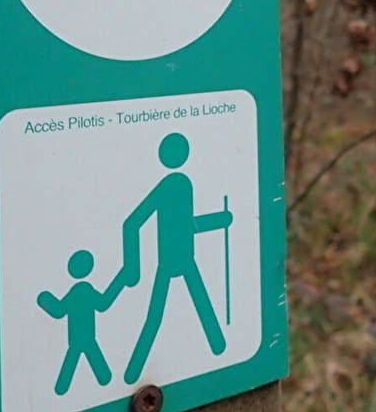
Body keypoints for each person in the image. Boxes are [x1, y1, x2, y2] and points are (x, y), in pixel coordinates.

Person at [118, 132, 233, 384]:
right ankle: (132, 374)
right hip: (170, 261)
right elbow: (133, 223)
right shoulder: (173, 186)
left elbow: (185, 225)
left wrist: (220, 220)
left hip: (183, 258)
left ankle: (220, 349)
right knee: (160, 315)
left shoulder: (181, 184)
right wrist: (132, 266)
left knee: (196, 308)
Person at [36, 249, 124, 395]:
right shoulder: (83, 290)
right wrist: (119, 282)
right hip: (86, 336)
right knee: (88, 358)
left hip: (79, 337)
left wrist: (45, 299)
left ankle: (62, 388)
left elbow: (59, 311)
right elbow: (103, 303)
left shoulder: (78, 291)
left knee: (75, 358)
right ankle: (101, 379)